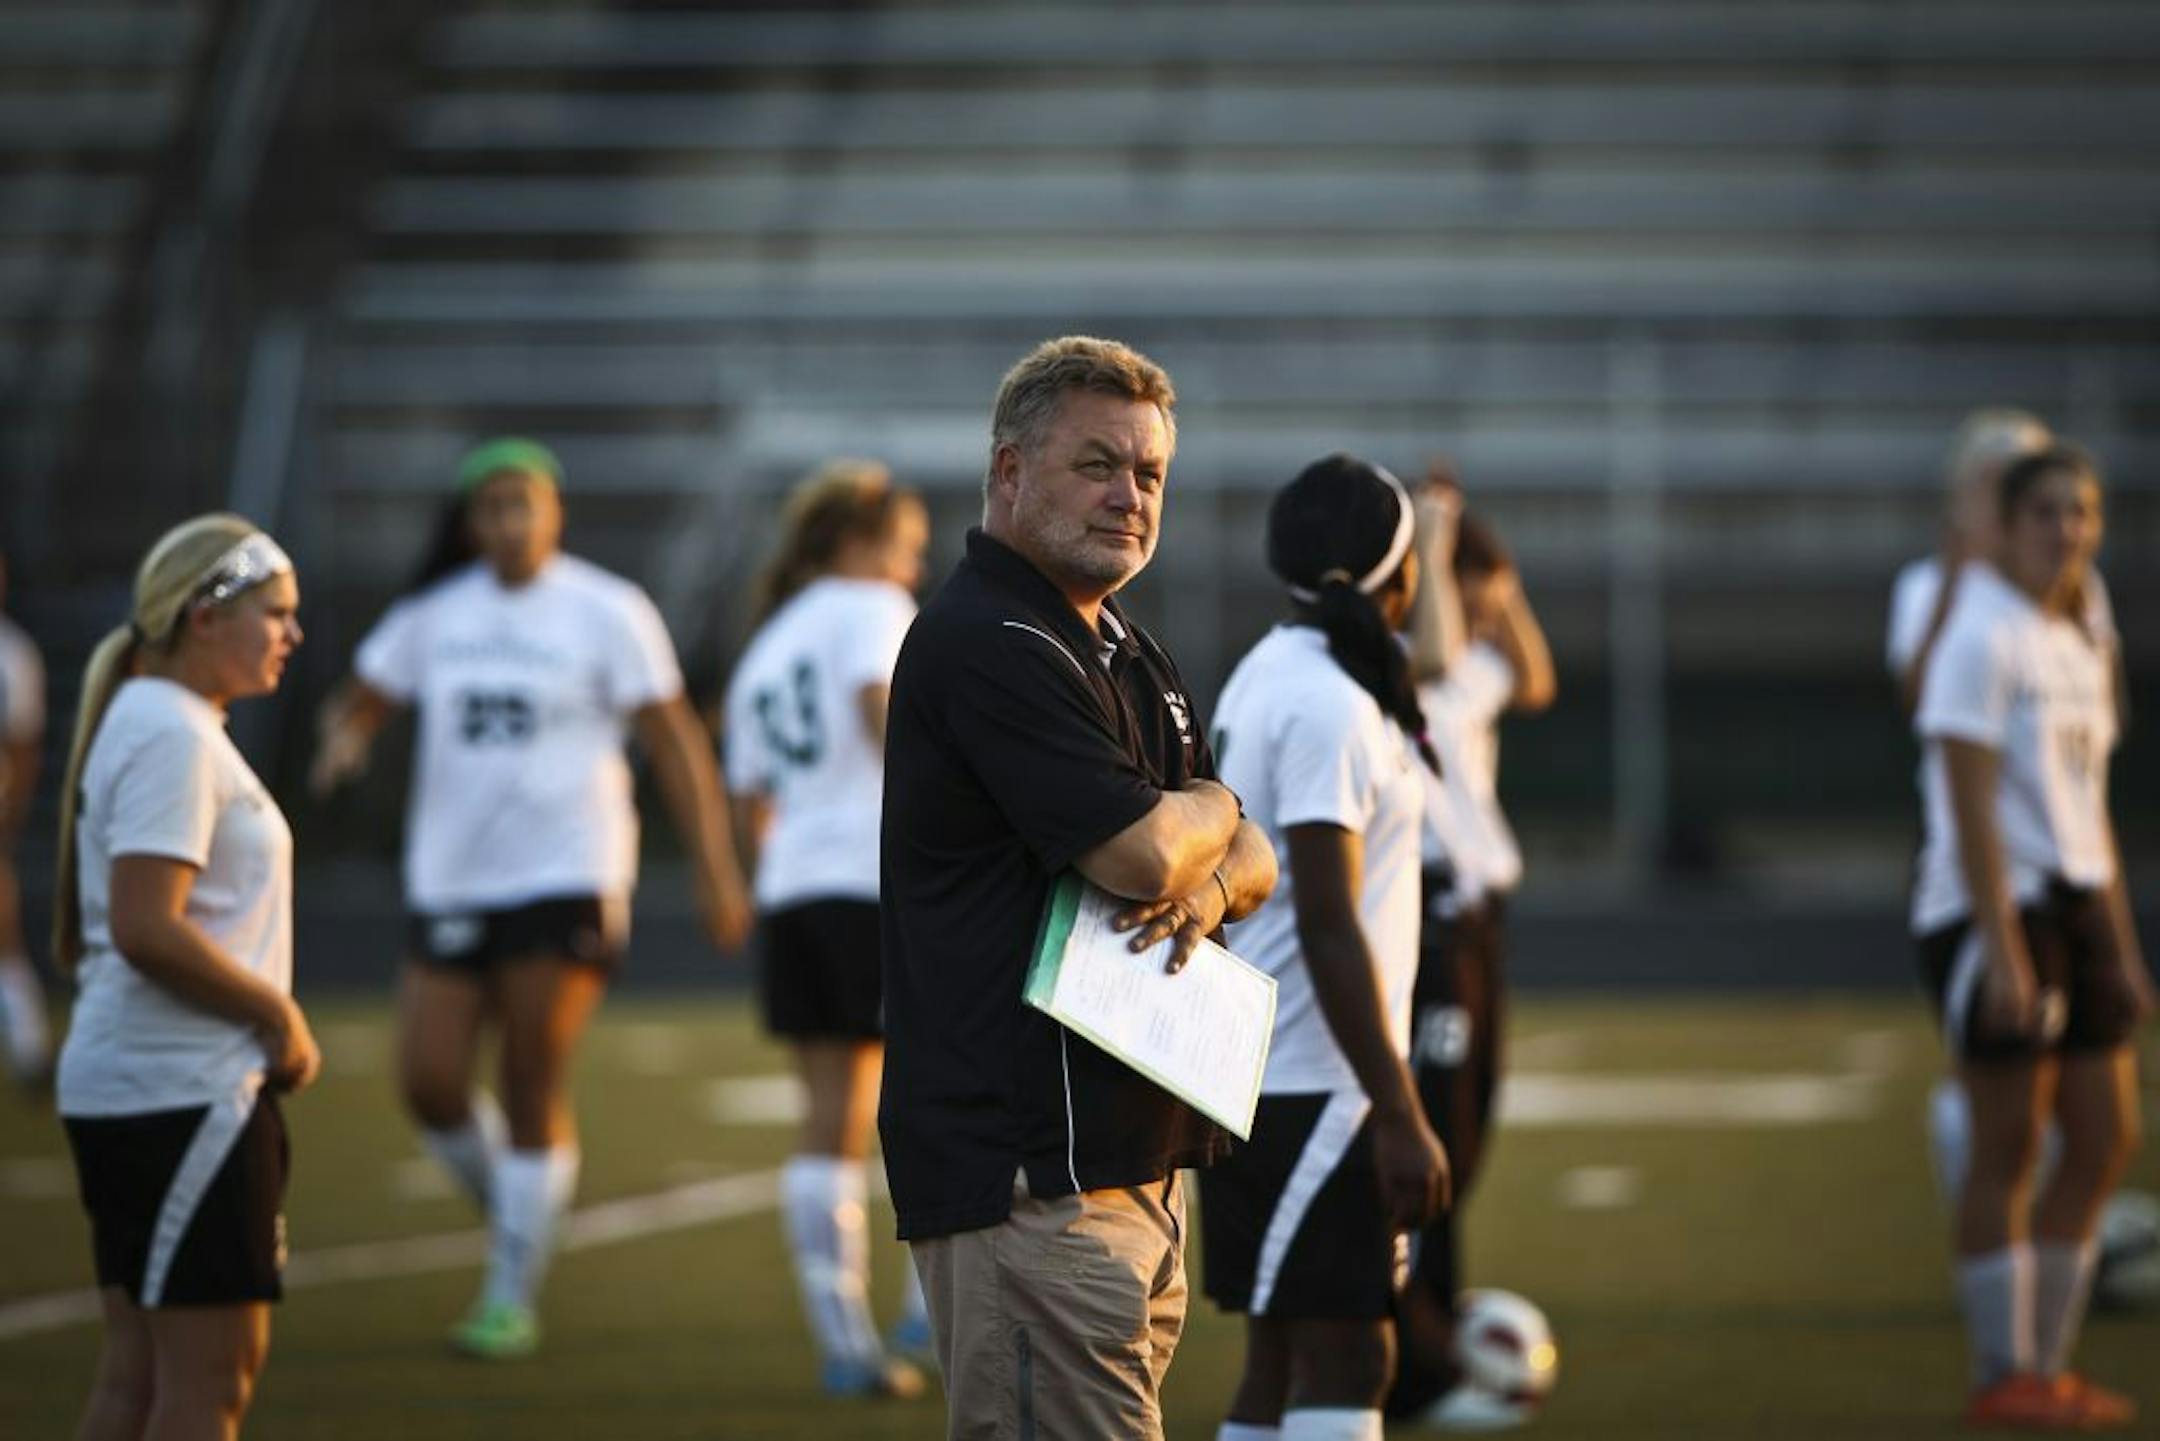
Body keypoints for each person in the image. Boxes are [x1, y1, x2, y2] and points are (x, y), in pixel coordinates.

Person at [879, 335, 1277, 1440]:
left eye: (1149, 475)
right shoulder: (991, 640)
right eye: (1097, 465)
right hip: (1029, 1177)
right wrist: (1219, 819)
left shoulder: (1123, 647)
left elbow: (1250, 862)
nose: (1129, 496)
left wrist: (1216, 842)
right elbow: (1147, 856)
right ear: (1010, 471)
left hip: (1125, 1161)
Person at [309, 437, 752, 1359]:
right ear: (470, 522)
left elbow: (672, 740)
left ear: (555, 511)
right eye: (493, 507)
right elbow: (359, 697)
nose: (510, 522)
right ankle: (522, 1211)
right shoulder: (435, 612)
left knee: (527, 1074)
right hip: (453, 875)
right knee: (428, 1081)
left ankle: (509, 1286)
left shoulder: (606, 609)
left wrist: (715, 868)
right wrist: (342, 738)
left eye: (526, 504)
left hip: (569, 871)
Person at [53, 515, 319, 1441]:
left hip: (148, 1087)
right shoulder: (171, 733)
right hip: (180, 1090)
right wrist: (276, 1014)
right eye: (274, 613)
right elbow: (144, 924)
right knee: (208, 1387)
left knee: (136, 1382)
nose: (292, 634)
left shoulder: (163, 720)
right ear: (205, 616)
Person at [1204, 453, 1451, 1441]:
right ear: (1400, 574)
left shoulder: (1280, 671)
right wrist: (1397, 1108)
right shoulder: (1327, 703)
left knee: (1281, 1357)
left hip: (1273, 1066)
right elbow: (1327, 917)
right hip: (1316, 1076)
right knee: (1350, 1356)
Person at [1911, 443, 2150, 1429]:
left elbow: (2089, 804)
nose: (2068, 530)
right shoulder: (1982, 632)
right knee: (2007, 1145)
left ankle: (2045, 1366)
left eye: (2082, 513)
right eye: (2048, 512)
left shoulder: (2078, 634)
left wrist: (2123, 946)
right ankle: (2005, 1369)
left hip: (2080, 903)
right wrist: (2003, 941)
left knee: (2104, 1135)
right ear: (2004, 528)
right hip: (1993, 909)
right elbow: (1965, 800)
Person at [721, 459, 932, 1398]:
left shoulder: (768, 642)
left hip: (798, 887)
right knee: (937, 1097)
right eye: (907, 550)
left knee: (827, 1120)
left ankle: (845, 1334)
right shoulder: (868, 610)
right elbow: (886, 716)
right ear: (860, 539)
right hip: (874, 878)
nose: (913, 572)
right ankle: (928, 1315)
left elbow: (748, 799)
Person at [1388, 489, 1556, 1429]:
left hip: (1479, 921)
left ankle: (1436, 1333)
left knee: (1468, 1135)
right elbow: (1443, 645)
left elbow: (1534, 679)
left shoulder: (1470, 669)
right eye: (1477, 594)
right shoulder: (1411, 665)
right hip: (1430, 921)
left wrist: (1510, 591)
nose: (1488, 613)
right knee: (1434, 1139)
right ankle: (1417, 1360)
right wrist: (1442, 539)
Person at [0, 550, 53, 1084]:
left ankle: (30, 1048)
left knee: (4, 937)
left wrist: (9, 821)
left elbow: (23, 747)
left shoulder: (12, 654)